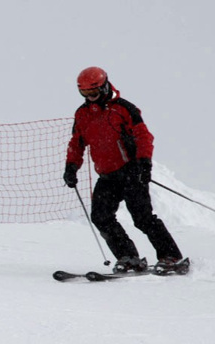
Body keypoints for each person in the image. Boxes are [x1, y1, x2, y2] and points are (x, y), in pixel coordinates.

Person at [62, 66, 188, 274]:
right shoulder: (82, 114)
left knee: (142, 217)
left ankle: (171, 256)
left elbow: (143, 137)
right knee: (101, 217)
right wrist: (71, 167)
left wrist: (144, 163)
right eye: (84, 93)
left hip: (130, 172)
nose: (90, 97)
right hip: (107, 175)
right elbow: (77, 143)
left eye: (93, 92)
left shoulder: (123, 108)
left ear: (103, 87)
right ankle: (128, 258)